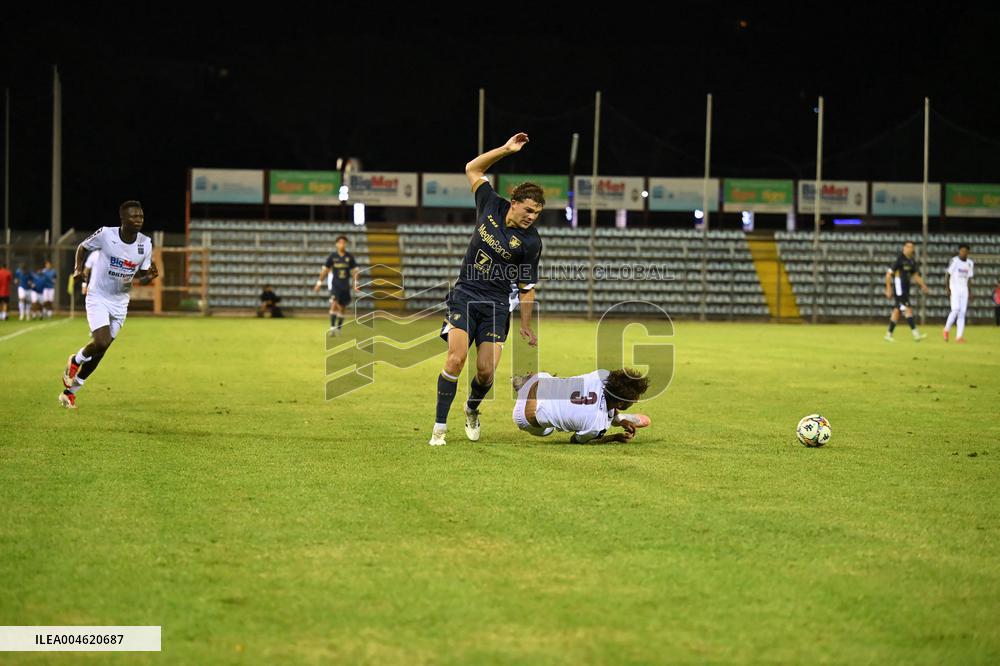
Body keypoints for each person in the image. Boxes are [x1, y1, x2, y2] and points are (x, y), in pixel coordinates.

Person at [429, 132, 544, 446]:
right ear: (515, 202)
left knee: (485, 373)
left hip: (495, 305)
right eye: (529, 210)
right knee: (455, 359)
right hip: (464, 294)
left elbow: (526, 287)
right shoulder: (490, 203)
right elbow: (473, 169)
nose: (532, 217)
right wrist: (506, 150)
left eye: (537, 214)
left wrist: (525, 325)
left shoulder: (531, 242)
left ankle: (472, 408)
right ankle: (439, 428)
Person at [59, 200, 158, 408]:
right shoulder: (106, 234)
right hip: (98, 296)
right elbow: (82, 247)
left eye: (141, 216)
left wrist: (149, 276)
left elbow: (141, 273)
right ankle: (76, 360)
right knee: (101, 341)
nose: (139, 219)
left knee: (100, 352)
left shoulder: (145, 244)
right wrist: (78, 269)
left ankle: (70, 393)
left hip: (120, 301)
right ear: (122, 219)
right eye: (134, 216)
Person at [512, 368, 652, 443]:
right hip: (526, 417)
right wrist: (614, 437)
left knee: (549, 380)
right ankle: (615, 418)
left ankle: (617, 418)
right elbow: (575, 440)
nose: (636, 401)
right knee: (548, 430)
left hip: (539, 382)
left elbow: (612, 390)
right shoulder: (597, 426)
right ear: (620, 404)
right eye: (634, 400)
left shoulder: (603, 375)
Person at [883, 240, 930, 342]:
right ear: (904, 247)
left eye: (911, 247)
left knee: (897, 311)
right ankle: (916, 334)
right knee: (907, 309)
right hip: (899, 289)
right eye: (908, 246)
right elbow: (888, 274)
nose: (910, 248)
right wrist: (888, 288)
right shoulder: (899, 260)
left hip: (906, 289)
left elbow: (915, 276)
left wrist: (923, 285)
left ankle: (888, 334)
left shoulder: (912, 261)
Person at [313, 235, 358, 335]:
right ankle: (332, 328)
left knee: (342, 308)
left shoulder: (349, 257)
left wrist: (355, 283)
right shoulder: (332, 257)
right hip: (335, 285)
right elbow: (325, 270)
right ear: (336, 244)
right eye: (340, 242)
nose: (342, 244)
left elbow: (355, 271)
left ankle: (339, 328)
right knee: (334, 304)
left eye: (344, 242)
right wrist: (319, 283)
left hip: (345, 286)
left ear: (346, 244)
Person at [943, 243, 973, 343]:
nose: (963, 253)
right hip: (954, 289)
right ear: (959, 251)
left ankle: (959, 337)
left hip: (964, 290)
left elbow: (969, 279)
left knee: (962, 313)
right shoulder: (955, 261)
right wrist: (947, 288)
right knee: (955, 310)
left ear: (968, 252)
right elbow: (947, 274)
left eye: (965, 251)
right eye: (962, 251)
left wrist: (970, 291)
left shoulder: (970, 263)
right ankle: (946, 329)